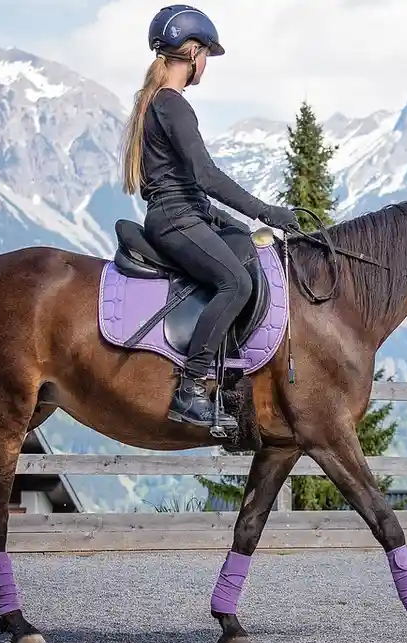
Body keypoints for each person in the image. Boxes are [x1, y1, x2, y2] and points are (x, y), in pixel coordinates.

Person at [119, 5, 300, 431]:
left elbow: (191, 186)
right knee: (234, 281)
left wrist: (234, 225)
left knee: (244, 251)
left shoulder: (157, 103)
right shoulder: (173, 105)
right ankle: (192, 386)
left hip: (186, 213)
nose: (206, 67)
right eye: (206, 57)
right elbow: (205, 176)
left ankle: (234, 381)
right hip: (175, 219)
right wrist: (265, 211)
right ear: (194, 53)